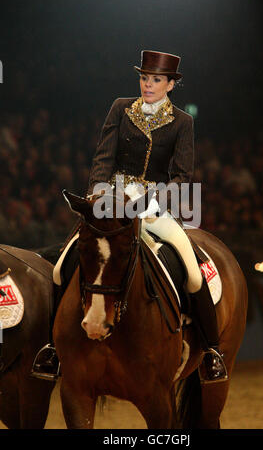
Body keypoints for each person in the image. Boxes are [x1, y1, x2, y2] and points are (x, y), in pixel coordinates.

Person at [31, 50, 227, 383]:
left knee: (193, 272)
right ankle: (52, 347)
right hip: (111, 198)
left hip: (154, 205)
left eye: (156, 80)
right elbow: (103, 157)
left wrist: (151, 199)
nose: (148, 84)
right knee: (64, 264)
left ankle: (211, 352)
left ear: (170, 85)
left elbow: (181, 176)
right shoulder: (121, 108)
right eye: (144, 78)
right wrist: (98, 192)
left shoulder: (182, 122)